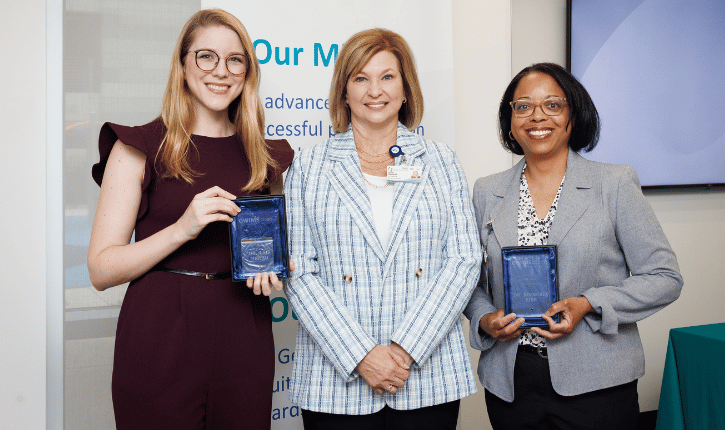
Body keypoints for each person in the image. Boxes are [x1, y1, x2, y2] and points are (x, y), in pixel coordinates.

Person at [89, 9, 294, 430]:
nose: (221, 71)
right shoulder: (137, 147)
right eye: (206, 56)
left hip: (244, 332)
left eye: (235, 59)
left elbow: (273, 256)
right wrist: (183, 228)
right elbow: (100, 269)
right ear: (182, 65)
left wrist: (274, 274)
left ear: (247, 72)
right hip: (159, 335)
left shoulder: (266, 158)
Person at [464, 62, 683, 430]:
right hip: (511, 383)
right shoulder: (488, 190)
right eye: (523, 106)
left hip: (597, 380)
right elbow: (469, 281)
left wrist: (588, 304)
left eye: (552, 105)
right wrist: (486, 319)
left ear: (573, 115)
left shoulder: (612, 183)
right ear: (510, 119)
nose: (537, 116)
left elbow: (664, 277)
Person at [284, 29, 481, 430]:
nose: (375, 90)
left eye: (387, 77)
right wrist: (361, 355)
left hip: (427, 374)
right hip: (335, 379)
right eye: (360, 78)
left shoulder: (441, 161)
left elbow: (464, 260)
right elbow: (297, 269)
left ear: (406, 89)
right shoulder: (308, 166)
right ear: (344, 91)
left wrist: (405, 349)